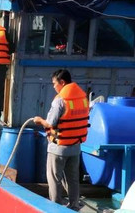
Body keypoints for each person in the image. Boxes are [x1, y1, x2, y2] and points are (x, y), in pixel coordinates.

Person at [33, 69, 89, 211]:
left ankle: (56, 207)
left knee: (54, 179)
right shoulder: (83, 97)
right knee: (73, 179)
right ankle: (74, 205)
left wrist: (39, 120)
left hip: (59, 147)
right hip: (75, 146)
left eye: (54, 83)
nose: (53, 87)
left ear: (62, 82)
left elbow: (50, 123)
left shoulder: (60, 100)